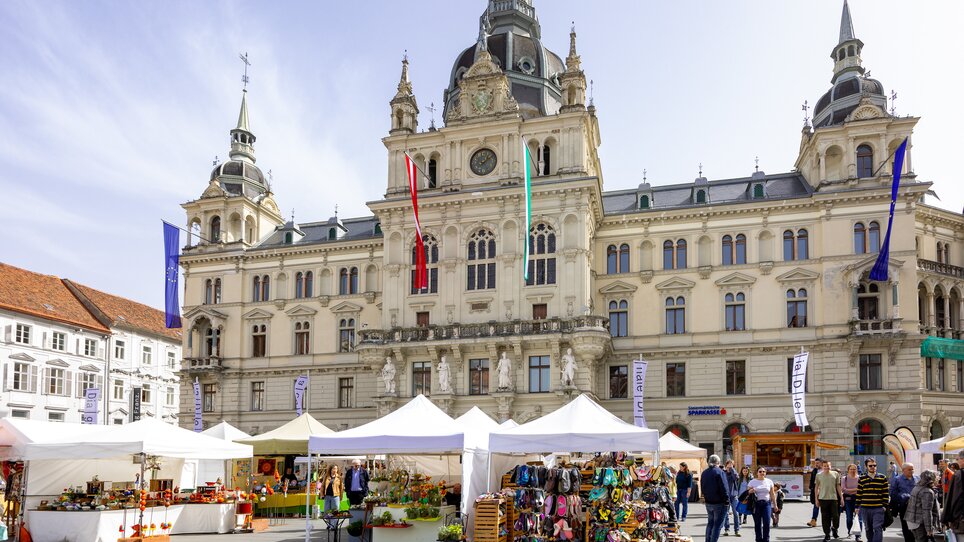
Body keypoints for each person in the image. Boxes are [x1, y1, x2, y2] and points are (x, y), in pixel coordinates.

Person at [856, 458, 891, 542]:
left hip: (878, 508)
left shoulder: (883, 478)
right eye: (870, 465)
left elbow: (885, 493)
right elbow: (859, 493)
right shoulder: (862, 478)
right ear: (866, 466)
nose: (873, 467)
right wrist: (856, 507)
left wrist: (884, 506)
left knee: (877, 527)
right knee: (868, 529)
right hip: (865, 508)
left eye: (874, 465)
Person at [905, 470, 940, 542]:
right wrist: (929, 529)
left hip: (914, 521)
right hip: (920, 523)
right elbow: (927, 512)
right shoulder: (927, 491)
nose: (938, 478)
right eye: (937, 477)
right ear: (931, 479)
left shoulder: (918, 487)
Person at [701, 455, 730, 542]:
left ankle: (707, 540)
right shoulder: (719, 472)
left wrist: (705, 497)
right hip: (719, 503)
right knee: (717, 525)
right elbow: (724, 488)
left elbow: (702, 487)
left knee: (710, 523)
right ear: (718, 462)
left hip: (709, 502)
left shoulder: (705, 472)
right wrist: (727, 501)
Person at [747, 466, 779, 542]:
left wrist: (775, 505)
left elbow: (772, 494)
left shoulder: (769, 481)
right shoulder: (752, 482)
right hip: (756, 504)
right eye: (760, 471)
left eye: (763, 471)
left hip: (766, 504)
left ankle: (766, 539)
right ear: (757, 473)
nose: (762, 473)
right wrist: (751, 491)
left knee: (767, 523)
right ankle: (758, 539)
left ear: (765, 473)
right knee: (757, 523)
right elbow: (747, 493)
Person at [815, 459, 843, 541]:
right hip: (822, 499)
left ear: (830, 466)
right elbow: (816, 488)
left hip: (833, 498)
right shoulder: (818, 475)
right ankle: (827, 534)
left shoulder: (835, 474)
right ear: (822, 467)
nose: (826, 467)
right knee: (825, 517)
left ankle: (834, 528)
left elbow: (838, 486)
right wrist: (816, 499)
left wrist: (841, 498)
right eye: (825, 466)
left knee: (836, 516)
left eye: (828, 466)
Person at [891, 462, 920, 541]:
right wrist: (895, 508)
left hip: (917, 507)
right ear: (903, 470)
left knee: (917, 526)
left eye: (912, 469)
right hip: (904, 507)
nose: (912, 471)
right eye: (909, 469)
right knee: (906, 527)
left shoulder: (918, 478)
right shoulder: (897, 480)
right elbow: (893, 494)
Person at [942, 450, 964, 538]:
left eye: (957, 459)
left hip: (960, 519)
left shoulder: (958, 475)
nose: (957, 461)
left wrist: (946, 518)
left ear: (963, 460)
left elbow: (953, 498)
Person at [842, 463, 864, 542]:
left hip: (858, 499)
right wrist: (856, 489)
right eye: (851, 469)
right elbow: (843, 489)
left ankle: (858, 536)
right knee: (849, 518)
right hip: (848, 500)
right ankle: (849, 531)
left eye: (854, 469)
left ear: (857, 470)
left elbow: (861, 489)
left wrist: (849, 490)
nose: (852, 470)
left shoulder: (860, 478)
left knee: (859, 518)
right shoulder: (844, 478)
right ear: (848, 470)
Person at [722, 459, 742, 537]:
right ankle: (726, 529)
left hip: (733, 496)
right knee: (726, 513)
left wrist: (732, 469)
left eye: (731, 465)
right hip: (726, 496)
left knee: (735, 513)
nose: (729, 466)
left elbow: (735, 478)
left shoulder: (734, 473)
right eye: (728, 464)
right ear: (726, 465)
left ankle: (736, 530)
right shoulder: (723, 473)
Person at [808, 458, 824, 527]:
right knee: (816, 505)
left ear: (821, 463)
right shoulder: (814, 471)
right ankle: (813, 520)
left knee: (824, 508)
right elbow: (811, 480)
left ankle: (826, 521)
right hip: (816, 491)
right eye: (815, 463)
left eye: (817, 463)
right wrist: (811, 487)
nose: (816, 464)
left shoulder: (826, 470)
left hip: (825, 491)